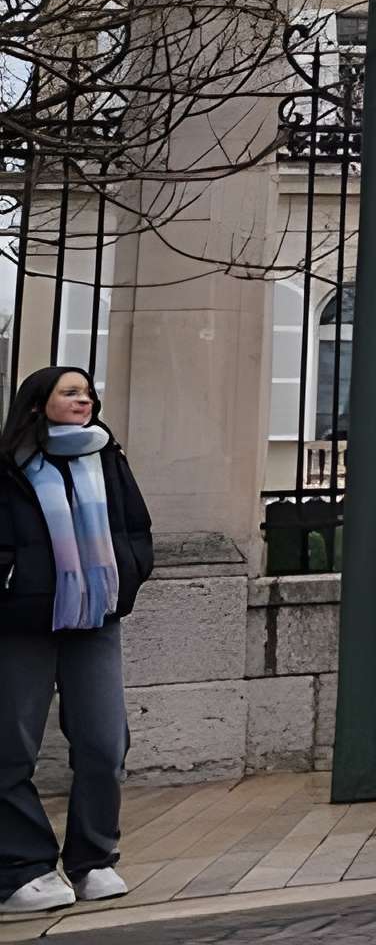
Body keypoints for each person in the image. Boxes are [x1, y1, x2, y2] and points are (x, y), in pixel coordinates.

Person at [0, 369, 152, 915]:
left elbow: (135, 526)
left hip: (96, 617)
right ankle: (24, 867)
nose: (84, 399)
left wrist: (129, 574)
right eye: (71, 391)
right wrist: (13, 582)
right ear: (38, 405)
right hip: (23, 623)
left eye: (88, 392)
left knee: (105, 743)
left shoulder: (107, 455)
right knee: (11, 748)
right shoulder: (10, 465)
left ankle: (94, 860)